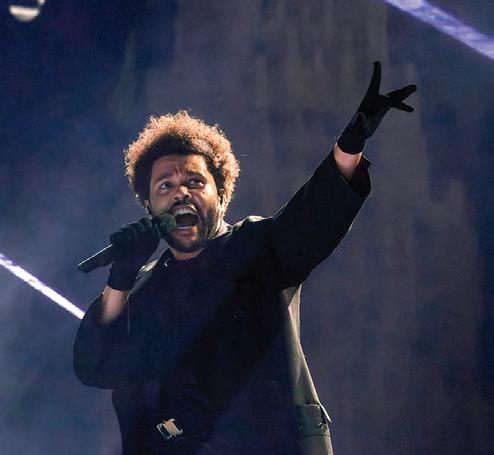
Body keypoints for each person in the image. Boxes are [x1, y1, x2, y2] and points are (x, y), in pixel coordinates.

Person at [73, 62, 416, 454]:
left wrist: (350, 145)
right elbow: (96, 366)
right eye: (165, 185)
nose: (181, 193)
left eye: (195, 182)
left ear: (221, 195)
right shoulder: (145, 284)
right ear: (149, 206)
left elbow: (311, 218)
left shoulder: (254, 249)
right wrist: (121, 276)